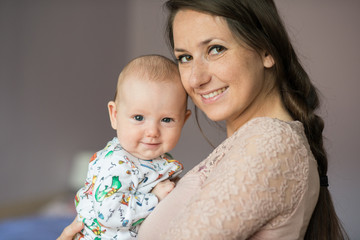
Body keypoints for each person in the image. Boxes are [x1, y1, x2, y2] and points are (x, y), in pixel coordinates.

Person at [58, 1, 348, 239]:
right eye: (184, 57)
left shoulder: (271, 142)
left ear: (267, 51)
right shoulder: (250, 145)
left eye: (215, 49)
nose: (196, 78)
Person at [73, 54, 191, 239]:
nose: (152, 131)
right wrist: (155, 198)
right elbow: (110, 213)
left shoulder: (158, 159)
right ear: (115, 115)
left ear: (183, 120)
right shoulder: (117, 164)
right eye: (138, 118)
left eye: (166, 119)